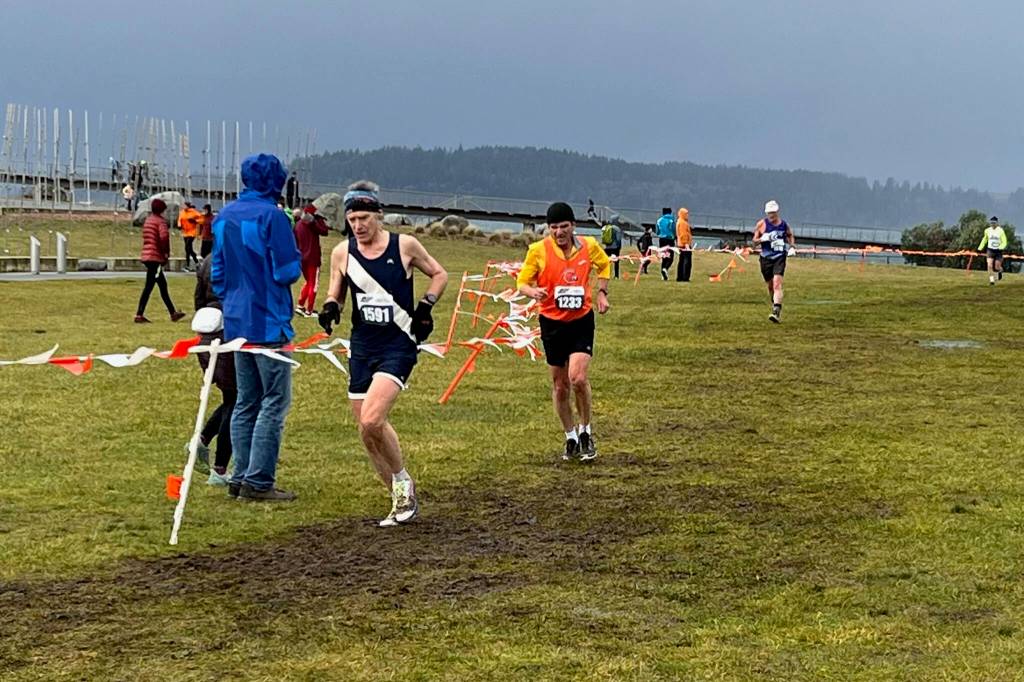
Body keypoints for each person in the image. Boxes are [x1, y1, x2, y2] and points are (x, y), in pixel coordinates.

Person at [317, 180, 448, 527]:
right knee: (365, 430)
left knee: (373, 418)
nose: (358, 225)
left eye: (363, 217)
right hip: (362, 346)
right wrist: (331, 308)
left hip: (398, 344)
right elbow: (337, 290)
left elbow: (439, 274)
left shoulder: (404, 245)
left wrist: (425, 307)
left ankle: (403, 483)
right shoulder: (342, 252)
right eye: (352, 219)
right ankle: (398, 499)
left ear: (378, 216)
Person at [211, 153, 302, 502]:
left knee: (245, 401)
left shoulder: (223, 217)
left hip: (236, 323)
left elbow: (217, 272)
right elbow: (286, 271)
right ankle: (259, 481)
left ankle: (238, 475)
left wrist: (231, 298)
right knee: (274, 401)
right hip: (269, 321)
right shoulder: (273, 217)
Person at [516, 201, 611, 462]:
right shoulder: (538, 250)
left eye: (564, 226)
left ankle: (586, 432)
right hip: (552, 323)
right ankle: (570, 435)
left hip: (581, 320)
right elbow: (521, 282)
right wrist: (532, 292)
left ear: (573, 226)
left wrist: (602, 292)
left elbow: (604, 265)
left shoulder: (589, 246)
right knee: (560, 386)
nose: (559, 232)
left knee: (578, 378)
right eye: (554, 227)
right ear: (549, 229)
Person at [193, 253, 235, 486]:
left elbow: (198, 298)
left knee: (231, 397)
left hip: (206, 333)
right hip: (228, 331)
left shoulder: (207, 260)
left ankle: (203, 439)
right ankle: (219, 467)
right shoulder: (237, 257)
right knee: (237, 399)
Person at [135, 198, 186, 323]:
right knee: (150, 287)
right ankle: (139, 314)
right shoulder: (160, 222)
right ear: (162, 209)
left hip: (147, 255)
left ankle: (173, 312)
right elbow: (163, 238)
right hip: (155, 257)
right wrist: (166, 253)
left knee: (161, 285)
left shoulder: (148, 221)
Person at [752, 200, 795, 323]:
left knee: (777, 283)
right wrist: (762, 238)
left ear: (777, 212)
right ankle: (774, 300)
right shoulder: (761, 225)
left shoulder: (783, 225)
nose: (771, 216)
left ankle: (776, 311)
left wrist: (792, 246)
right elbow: (754, 242)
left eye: (773, 213)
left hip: (779, 257)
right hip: (765, 258)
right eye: (769, 213)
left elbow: (790, 235)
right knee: (770, 285)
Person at [294, 204, 331, 317]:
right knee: (313, 284)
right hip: (313, 258)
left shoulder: (298, 225)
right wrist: (319, 220)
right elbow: (324, 231)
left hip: (302, 257)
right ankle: (309, 310)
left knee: (308, 282)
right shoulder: (312, 224)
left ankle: (300, 305)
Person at [979, 216, 1007, 285]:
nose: (992, 224)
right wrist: (980, 247)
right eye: (991, 223)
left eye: (994, 223)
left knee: (997, 267)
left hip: (998, 251)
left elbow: (1004, 240)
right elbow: (985, 239)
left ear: (997, 223)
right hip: (990, 250)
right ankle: (992, 281)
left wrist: (1001, 246)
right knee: (989, 265)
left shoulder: (1000, 231)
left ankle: (1000, 271)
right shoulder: (987, 230)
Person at [178, 202, 202, 271]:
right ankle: (196, 263)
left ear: (188, 206)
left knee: (187, 247)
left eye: (184, 206)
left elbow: (201, 219)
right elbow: (180, 220)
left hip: (192, 233)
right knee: (188, 249)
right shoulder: (182, 212)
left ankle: (188, 265)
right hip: (185, 233)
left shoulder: (193, 212)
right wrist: (179, 225)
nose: (183, 207)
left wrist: (194, 221)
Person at [655, 207, 676, 280]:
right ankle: (665, 269)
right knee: (671, 257)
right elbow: (674, 230)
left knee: (663, 256)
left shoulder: (659, 220)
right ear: (670, 212)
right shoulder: (671, 220)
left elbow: (657, 232)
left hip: (661, 240)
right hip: (670, 239)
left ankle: (662, 274)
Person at [676, 207, 693, 282]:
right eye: (686, 214)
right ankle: (685, 277)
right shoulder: (683, 223)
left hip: (681, 244)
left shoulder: (680, 221)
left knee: (682, 261)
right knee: (687, 261)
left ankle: (680, 277)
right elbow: (683, 234)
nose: (687, 215)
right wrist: (686, 244)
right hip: (684, 244)